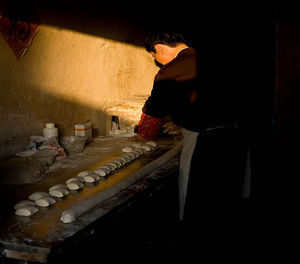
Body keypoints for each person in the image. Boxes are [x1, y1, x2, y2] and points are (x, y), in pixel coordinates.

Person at [133, 31, 251, 250]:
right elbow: (210, 103)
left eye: (154, 56)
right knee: (228, 193)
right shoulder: (220, 59)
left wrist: (143, 134)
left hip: (205, 142)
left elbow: (153, 115)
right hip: (237, 137)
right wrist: (182, 121)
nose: (157, 63)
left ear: (159, 48)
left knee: (196, 200)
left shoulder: (170, 71)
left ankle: (191, 242)